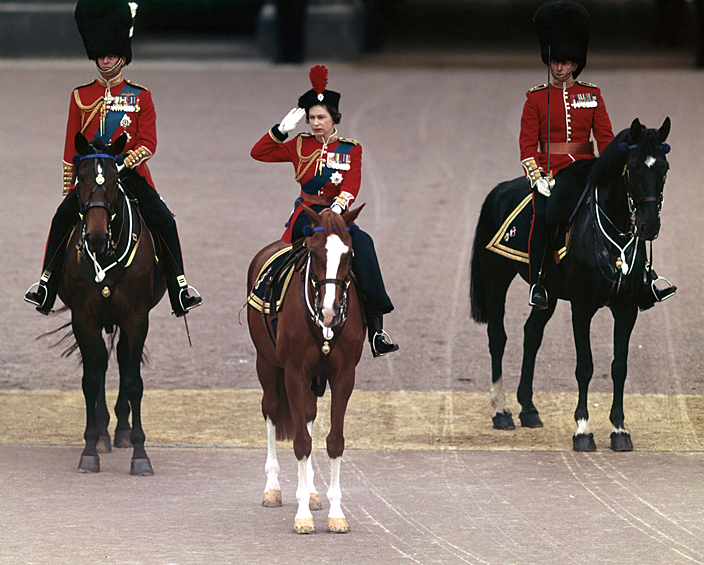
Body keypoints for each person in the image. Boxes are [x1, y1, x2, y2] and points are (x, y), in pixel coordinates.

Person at [24, 0, 201, 317]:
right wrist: (70, 189)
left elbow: (148, 143)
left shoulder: (139, 95)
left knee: (164, 220)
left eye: (111, 54)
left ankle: (180, 288)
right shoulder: (80, 96)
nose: (106, 60)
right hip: (90, 177)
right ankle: (46, 286)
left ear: (123, 55)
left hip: (130, 175)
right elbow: (70, 148)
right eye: (102, 55)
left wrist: (123, 164)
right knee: (60, 219)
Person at [519, 1, 675, 309]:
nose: (558, 67)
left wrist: (614, 167)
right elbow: (527, 145)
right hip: (553, 172)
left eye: (565, 62)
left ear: (575, 63)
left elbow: (605, 138)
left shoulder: (592, 96)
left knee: (629, 212)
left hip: (588, 168)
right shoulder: (535, 99)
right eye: (555, 62)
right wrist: (538, 178)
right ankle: (539, 282)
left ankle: (646, 277)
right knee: (544, 216)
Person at [250, 65, 398, 357]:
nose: (316, 123)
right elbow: (259, 153)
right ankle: (269, 307)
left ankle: (377, 328)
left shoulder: (350, 149)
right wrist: (280, 131)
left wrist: (338, 207)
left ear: (334, 119)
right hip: (305, 215)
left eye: (321, 117)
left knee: (364, 246)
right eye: (311, 118)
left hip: (337, 214)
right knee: (281, 258)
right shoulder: (299, 144)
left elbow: (352, 185)